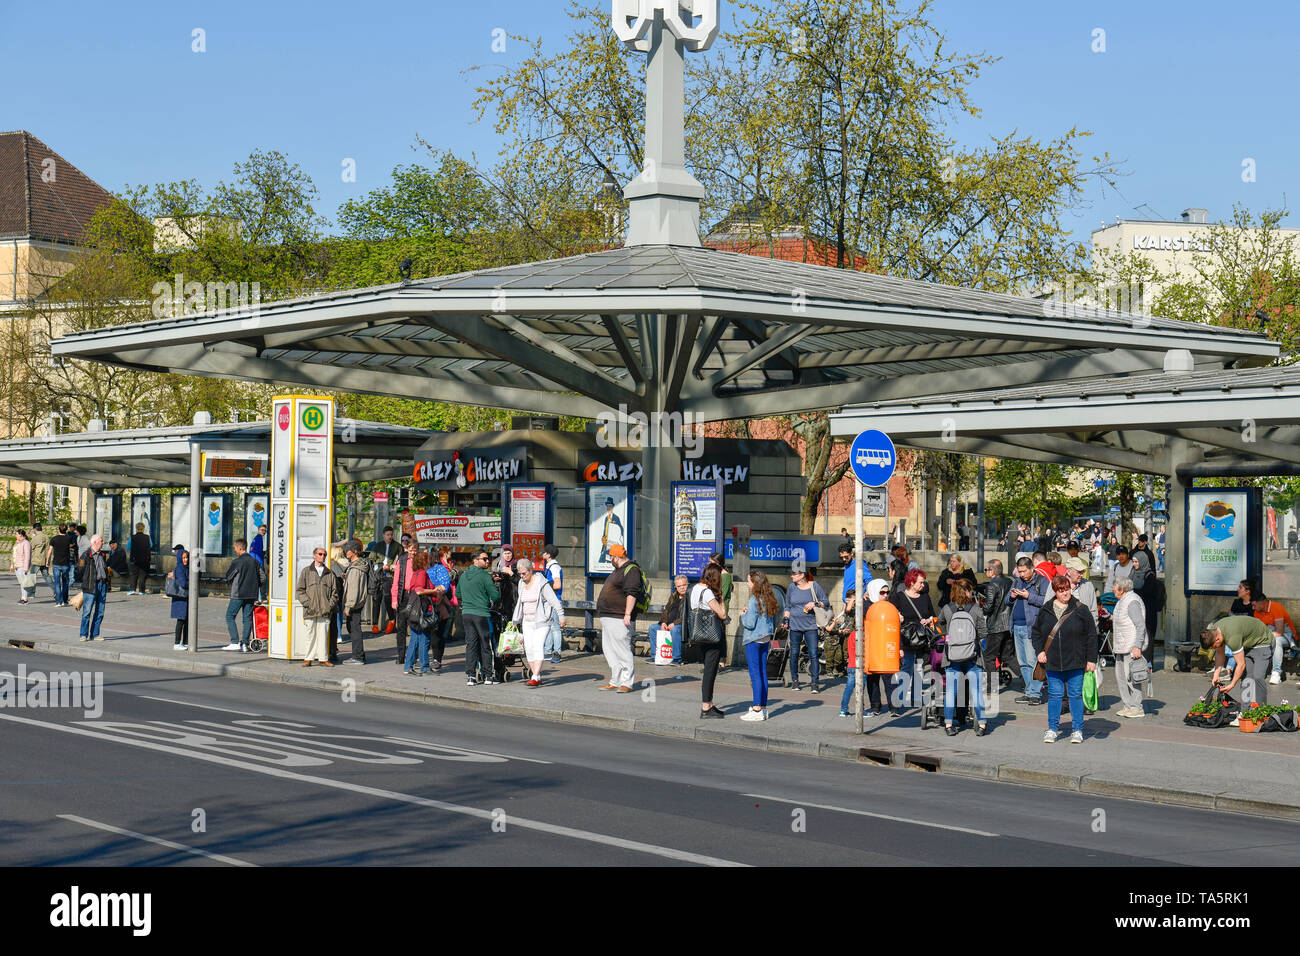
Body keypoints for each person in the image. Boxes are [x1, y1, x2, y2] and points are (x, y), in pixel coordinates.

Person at [1033, 574, 1099, 744]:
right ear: (1055, 591)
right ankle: (1052, 729)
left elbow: (1092, 635)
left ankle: (1077, 730)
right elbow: (1036, 633)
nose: (1065, 593)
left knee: (1075, 696)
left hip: (1076, 661)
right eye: (1061, 590)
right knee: (1055, 695)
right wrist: (1039, 651)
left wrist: (1091, 659)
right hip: (1052, 661)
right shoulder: (1046, 609)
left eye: (1067, 589)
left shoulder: (1080, 609)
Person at [938, 578, 988, 737]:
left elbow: (940, 623)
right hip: (973, 656)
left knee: (951, 691)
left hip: (952, 656)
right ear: (967, 592)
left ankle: (948, 725)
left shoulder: (947, 608)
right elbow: (983, 631)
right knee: (976, 691)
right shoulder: (975, 608)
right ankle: (981, 725)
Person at [595, 544, 643, 692]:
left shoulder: (632, 570)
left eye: (611, 557)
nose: (610, 559)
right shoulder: (618, 570)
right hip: (608, 616)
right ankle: (615, 680)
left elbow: (632, 593)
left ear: (616, 557)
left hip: (619, 616)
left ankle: (627, 682)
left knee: (622, 649)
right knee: (609, 650)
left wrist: (627, 613)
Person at [512, 557, 565, 685]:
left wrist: (561, 616)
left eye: (524, 573)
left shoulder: (542, 583)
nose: (522, 576)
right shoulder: (521, 583)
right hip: (527, 620)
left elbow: (554, 600)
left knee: (537, 646)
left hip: (542, 620)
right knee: (528, 648)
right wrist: (516, 619)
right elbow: (520, 602)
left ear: (531, 571)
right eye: (520, 574)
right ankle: (537, 675)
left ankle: (535, 676)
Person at [1202, 615, 1275, 707]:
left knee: (1258, 676)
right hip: (1248, 644)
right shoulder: (1214, 631)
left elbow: (1241, 665)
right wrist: (1216, 674)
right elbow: (1220, 653)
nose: (1216, 648)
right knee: (1247, 678)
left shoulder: (1232, 638)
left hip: (1263, 642)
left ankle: (1261, 711)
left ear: (1217, 639)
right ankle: (1245, 712)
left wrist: (1232, 684)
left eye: (1214, 646)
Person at [1006, 556, 1049, 705]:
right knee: (1022, 662)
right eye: (1019, 571)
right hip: (1016, 626)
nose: (1022, 574)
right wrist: (1011, 596)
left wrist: (1028, 596)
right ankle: (1029, 691)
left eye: (1024, 571)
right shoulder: (1017, 581)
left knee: (1032, 661)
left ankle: (1036, 693)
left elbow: (1046, 601)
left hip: (1032, 627)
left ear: (1032, 568)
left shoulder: (1042, 581)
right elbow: (1007, 601)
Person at [891, 568, 935, 710]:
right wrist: (898, 616)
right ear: (911, 582)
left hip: (921, 639)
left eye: (923, 582)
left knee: (919, 669)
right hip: (907, 639)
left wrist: (928, 621)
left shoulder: (925, 597)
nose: (923, 585)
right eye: (920, 582)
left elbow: (933, 616)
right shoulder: (899, 597)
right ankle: (899, 700)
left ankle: (916, 699)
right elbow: (891, 614)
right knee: (907, 668)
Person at [689, 564, 729, 718]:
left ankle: (709, 704)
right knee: (710, 672)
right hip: (712, 637)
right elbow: (722, 614)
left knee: (708, 669)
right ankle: (706, 707)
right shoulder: (708, 593)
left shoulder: (694, 589)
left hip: (700, 635)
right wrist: (721, 598)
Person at [739, 569, 779, 721]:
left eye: (749, 581)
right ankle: (762, 707)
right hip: (765, 638)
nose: (747, 583)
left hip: (753, 639)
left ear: (754, 583)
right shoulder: (768, 598)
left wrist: (743, 615)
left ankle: (756, 709)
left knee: (755, 673)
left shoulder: (753, 600)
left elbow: (749, 623)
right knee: (762, 673)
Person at [783, 563, 829, 692]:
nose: (791, 576)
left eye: (794, 574)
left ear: (802, 575)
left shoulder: (814, 586)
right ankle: (795, 681)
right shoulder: (792, 587)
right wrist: (786, 618)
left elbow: (825, 602)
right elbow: (787, 606)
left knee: (813, 654)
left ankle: (814, 683)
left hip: (811, 626)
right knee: (794, 654)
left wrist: (814, 603)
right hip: (795, 626)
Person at [459, 549, 500, 685]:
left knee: (471, 644)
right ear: (475, 560)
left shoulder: (464, 575)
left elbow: (458, 593)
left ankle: (471, 676)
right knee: (485, 644)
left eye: (488, 559)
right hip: (481, 614)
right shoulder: (484, 576)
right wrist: (490, 602)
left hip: (466, 613)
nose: (488, 561)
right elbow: (495, 595)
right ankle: (488, 676)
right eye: (484, 559)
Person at [1110, 576, 1147, 718]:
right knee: (1121, 677)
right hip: (1121, 645)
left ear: (1122, 589)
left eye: (1115, 588)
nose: (1113, 590)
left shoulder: (1132, 601)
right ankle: (1128, 705)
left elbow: (1140, 625)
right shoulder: (1122, 601)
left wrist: (1138, 646)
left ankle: (1137, 707)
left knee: (1131, 677)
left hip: (1131, 646)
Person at [295, 546, 337, 666]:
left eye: (324, 554)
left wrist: (330, 605)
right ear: (314, 555)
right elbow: (300, 590)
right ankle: (308, 658)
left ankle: (323, 659)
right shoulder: (306, 571)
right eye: (320, 554)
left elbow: (335, 592)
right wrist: (308, 604)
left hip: (325, 610)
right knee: (310, 635)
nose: (322, 556)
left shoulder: (329, 573)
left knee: (323, 635)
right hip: (311, 610)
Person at [401, 550, 440, 676]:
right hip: (422, 610)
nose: (429, 561)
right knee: (424, 639)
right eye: (427, 559)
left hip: (414, 612)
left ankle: (408, 666)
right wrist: (434, 590)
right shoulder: (423, 573)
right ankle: (424, 667)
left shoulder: (415, 573)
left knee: (414, 639)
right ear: (424, 561)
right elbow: (418, 591)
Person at [223, 538, 265, 652]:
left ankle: (234, 641)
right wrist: (255, 585)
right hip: (252, 594)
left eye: (235, 548)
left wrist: (232, 582)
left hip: (238, 594)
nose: (235, 550)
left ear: (239, 548)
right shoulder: (255, 561)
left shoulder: (237, 562)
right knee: (247, 618)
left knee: (230, 616)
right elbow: (263, 577)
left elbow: (229, 576)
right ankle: (245, 644)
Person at [981, 559, 1015, 684]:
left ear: (992, 571)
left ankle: (992, 686)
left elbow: (988, 606)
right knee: (1008, 656)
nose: (986, 572)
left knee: (989, 656)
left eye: (986, 570)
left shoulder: (992, 585)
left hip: (996, 625)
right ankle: (1027, 681)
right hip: (1008, 624)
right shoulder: (1009, 581)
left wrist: (983, 610)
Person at [1252, 593, 1297, 685]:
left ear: (1262, 603)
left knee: (1275, 640)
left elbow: (1279, 632)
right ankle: (1256, 672)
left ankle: (1276, 672)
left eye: (1254, 605)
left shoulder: (1276, 608)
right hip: (1269, 636)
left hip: (1287, 637)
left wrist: (1263, 638)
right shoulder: (1257, 612)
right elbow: (1259, 631)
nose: (1253, 608)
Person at [389, 535, 419, 667]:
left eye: (415, 550)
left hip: (416, 596)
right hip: (403, 595)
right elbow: (396, 581)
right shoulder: (402, 560)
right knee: (400, 627)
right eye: (411, 550)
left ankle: (414, 655)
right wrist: (394, 599)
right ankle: (400, 655)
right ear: (407, 549)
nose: (413, 553)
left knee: (415, 626)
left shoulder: (420, 560)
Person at [367, 527, 402, 634]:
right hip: (378, 574)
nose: (390, 537)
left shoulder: (397, 546)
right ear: (383, 535)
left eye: (391, 534)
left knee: (388, 598)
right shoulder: (378, 545)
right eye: (387, 535)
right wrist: (379, 565)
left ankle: (391, 620)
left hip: (390, 575)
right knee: (376, 599)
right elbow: (371, 558)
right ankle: (375, 624)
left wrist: (392, 566)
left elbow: (400, 559)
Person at [341, 541, 371, 665]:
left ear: (354, 551)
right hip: (358, 601)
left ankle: (357, 657)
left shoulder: (356, 567)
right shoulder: (357, 565)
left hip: (354, 603)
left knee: (355, 629)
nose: (345, 552)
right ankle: (360, 655)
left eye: (348, 550)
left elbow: (353, 589)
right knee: (353, 627)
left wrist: (348, 606)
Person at [648, 575, 688, 665]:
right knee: (653, 628)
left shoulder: (690, 597)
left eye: (684, 585)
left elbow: (687, 616)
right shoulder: (673, 597)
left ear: (687, 585)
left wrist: (674, 623)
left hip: (682, 625)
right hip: (669, 624)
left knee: (675, 629)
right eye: (679, 586)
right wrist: (663, 623)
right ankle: (655, 656)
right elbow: (666, 611)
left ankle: (676, 658)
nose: (682, 588)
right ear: (676, 587)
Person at [426, 545, 454, 670]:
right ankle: (437, 659)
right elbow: (445, 586)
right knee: (438, 633)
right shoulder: (441, 569)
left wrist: (428, 591)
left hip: (431, 604)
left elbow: (445, 586)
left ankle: (427, 658)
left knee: (431, 633)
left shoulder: (427, 569)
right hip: (438, 604)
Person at [77, 534, 110, 641]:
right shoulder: (85, 555)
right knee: (87, 612)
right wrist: (86, 581)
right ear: (95, 542)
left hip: (102, 585)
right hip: (90, 586)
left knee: (100, 612)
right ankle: (83, 634)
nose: (103, 542)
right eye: (101, 540)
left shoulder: (103, 554)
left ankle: (95, 634)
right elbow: (79, 571)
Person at [541, 544, 564, 663]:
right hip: (549, 600)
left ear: (548, 555)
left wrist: (546, 586)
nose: (542, 554)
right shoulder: (550, 566)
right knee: (549, 626)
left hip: (554, 600)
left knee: (555, 627)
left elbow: (557, 584)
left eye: (544, 552)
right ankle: (548, 651)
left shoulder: (554, 567)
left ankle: (557, 652)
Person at [167, 549, 191, 650]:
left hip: (185, 597)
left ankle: (185, 642)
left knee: (187, 621)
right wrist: (192, 582)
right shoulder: (180, 568)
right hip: (180, 597)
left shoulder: (187, 567)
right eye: (184, 558)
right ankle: (177, 643)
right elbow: (183, 583)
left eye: (187, 557)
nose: (186, 560)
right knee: (181, 620)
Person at [1064, 560, 1098, 627]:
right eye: (1079, 572)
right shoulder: (1055, 584)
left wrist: (1092, 629)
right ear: (1068, 572)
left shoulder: (1088, 585)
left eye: (1082, 572)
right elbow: (1047, 610)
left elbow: (1093, 611)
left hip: (1083, 632)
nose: (1082, 575)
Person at [48, 525, 72, 607]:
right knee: (65, 582)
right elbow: (71, 546)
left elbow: (50, 551)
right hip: (66, 563)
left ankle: (58, 601)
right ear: (66, 530)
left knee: (57, 583)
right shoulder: (69, 538)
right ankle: (65, 601)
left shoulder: (54, 539)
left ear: (59, 529)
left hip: (56, 564)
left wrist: (47, 561)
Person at [597, 497, 624, 564]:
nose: (608, 508)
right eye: (607, 506)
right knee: (602, 560)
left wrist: (614, 526)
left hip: (612, 543)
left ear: (612, 507)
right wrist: (603, 538)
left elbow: (621, 530)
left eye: (610, 506)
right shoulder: (606, 518)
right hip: (605, 543)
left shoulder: (616, 518)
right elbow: (605, 530)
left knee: (610, 560)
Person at [128, 522, 151, 595]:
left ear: (136, 528)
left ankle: (132, 590)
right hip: (144, 559)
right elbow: (151, 545)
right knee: (142, 575)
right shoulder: (147, 537)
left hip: (134, 559)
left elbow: (128, 547)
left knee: (134, 574)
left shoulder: (132, 537)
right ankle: (142, 591)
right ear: (143, 528)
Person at [29, 523, 52, 597]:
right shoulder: (47, 537)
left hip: (36, 560)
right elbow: (49, 549)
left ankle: (31, 593)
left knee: (32, 576)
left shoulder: (36, 538)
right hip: (45, 560)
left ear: (35, 529)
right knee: (47, 576)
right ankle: (55, 591)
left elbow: (30, 548)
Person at [11, 530, 31, 604]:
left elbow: (27, 556)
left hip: (22, 566)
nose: (15, 536)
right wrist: (12, 565)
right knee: (21, 583)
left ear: (21, 535)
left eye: (16, 534)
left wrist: (26, 567)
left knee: (24, 583)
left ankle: (25, 599)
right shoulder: (17, 543)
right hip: (17, 565)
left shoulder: (26, 543)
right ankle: (23, 597)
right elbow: (14, 554)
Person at [249, 523, 268, 600]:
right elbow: (258, 551)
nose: (264, 532)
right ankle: (261, 597)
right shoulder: (259, 538)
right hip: (257, 561)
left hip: (254, 560)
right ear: (258, 530)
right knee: (263, 578)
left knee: (258, 578)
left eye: (265, 531)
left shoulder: (256, 538)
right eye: (262, 530)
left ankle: (258, 597)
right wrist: (265, 553)